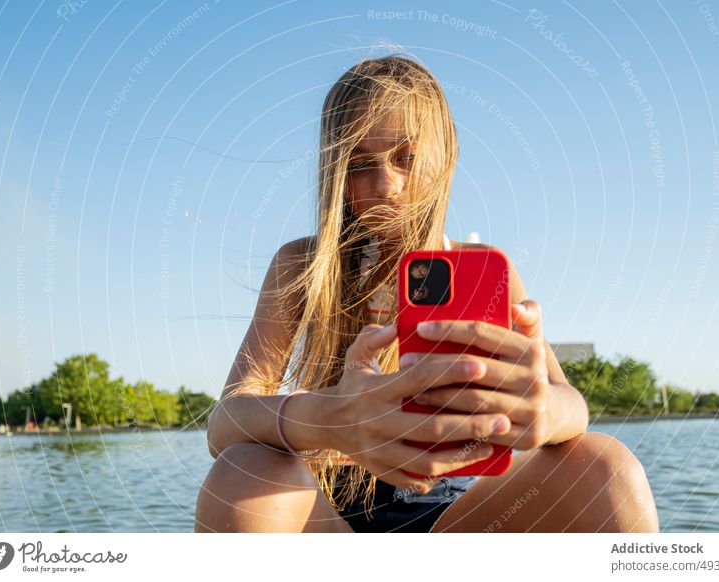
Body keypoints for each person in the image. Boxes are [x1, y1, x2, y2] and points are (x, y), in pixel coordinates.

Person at [195, 54, 660, 533]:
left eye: (406, 158)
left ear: (446, 156)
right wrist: (332, 416)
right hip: (325, 516)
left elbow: (571, 404)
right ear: (334, 170)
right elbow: (225, 422)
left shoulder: (480, 269)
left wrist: (543, 410)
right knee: (240, 471)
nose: (385, 184)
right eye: (359, 163)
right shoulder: (304, 265)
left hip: (459, 518)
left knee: (605, 466)